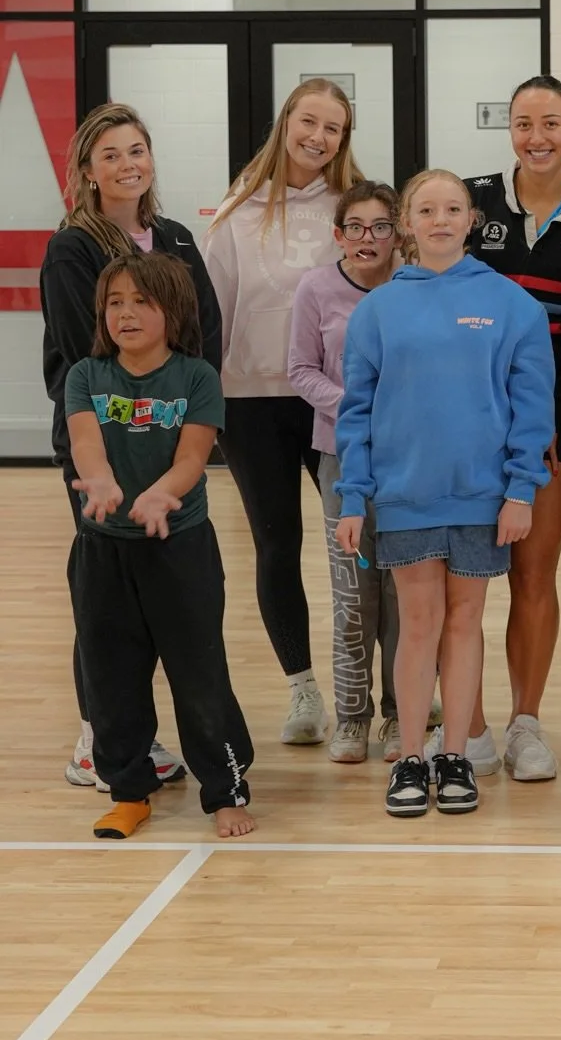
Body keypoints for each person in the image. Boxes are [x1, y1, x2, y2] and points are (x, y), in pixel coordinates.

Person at [335, 170, 556, 819]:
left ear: (470, 220)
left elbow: (531, 408)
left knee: (465, 624)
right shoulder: (377, 310)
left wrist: (521, 491)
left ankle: (457, 754)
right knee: (419, 625)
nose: (438, 219)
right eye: (425, 209)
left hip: (481, 500)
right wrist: (353, 498)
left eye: (451, 208)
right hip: (404, 498)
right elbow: (356, 413)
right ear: (407, 222)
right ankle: (410, 757)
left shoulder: (511, 303)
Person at [40, 101, 222, 792]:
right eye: (111, 154)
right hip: (102, 443)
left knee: (163, 594)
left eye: (137, 150)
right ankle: (99, 739)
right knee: (106, 597)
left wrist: (189, 416)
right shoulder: (73, 249)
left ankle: (137, 736)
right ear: (88, 170)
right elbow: (80, 355)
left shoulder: (173, 238)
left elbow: (205, 331)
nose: (127, 165)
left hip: (172, 442)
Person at [65, 253, 253, 840]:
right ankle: (128, 789)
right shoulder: (86, 376)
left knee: (197, 672)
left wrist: (159, 495)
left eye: (142, 302)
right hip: (103, 550)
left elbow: (193, 458)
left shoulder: (196, 376)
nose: (126, 313)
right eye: (115, 302)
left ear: (172, 312)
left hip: (180, 548)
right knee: (110, 674)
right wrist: (99, 482)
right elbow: (86, 446)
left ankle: (225, 790)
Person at [464, 76, 561, 781]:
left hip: (548, 430)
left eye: (550, 122)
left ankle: (525, 721)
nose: (536, 136)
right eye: (523, 123)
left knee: (533, 576)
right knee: (459, 583)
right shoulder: (471, 204)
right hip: (462, 427)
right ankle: (464, 724)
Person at [205, 78, 361, 747]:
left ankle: (374, 687)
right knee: (278, 546)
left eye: (332, 127)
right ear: (284, 122)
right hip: (253, 403)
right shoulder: (236, 213)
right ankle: (302, 689)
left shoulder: (353, 209)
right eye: (308, 120)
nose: (317, 137)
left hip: (334, 400)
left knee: (358, 549)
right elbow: (211, 316)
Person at [287, 180, 403, 764]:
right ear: (338, 234)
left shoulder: (414, 287)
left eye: (380, 226)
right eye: (354, 227)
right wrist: (355, 408)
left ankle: (402, 714)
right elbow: (301, 370)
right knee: (353, 596)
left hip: (411, 462)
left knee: (403, 595)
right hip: (341, 459)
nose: (367, 238)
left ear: (396, 234)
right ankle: (353, 716)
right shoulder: (316, 288)